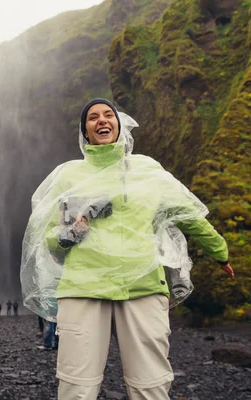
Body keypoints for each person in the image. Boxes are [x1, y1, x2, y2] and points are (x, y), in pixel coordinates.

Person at [20, 98, 235, 400]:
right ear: (85, 131)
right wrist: (76, 228)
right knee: (76, 387)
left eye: (108, 115)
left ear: (120, 125)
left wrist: (220, 252)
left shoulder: (148, 170)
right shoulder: (68, 176)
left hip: (142, 285)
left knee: (151, 386)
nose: (101, 120)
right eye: (93, 117)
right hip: (83, 288)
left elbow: (190, 216)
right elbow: (50, 240)